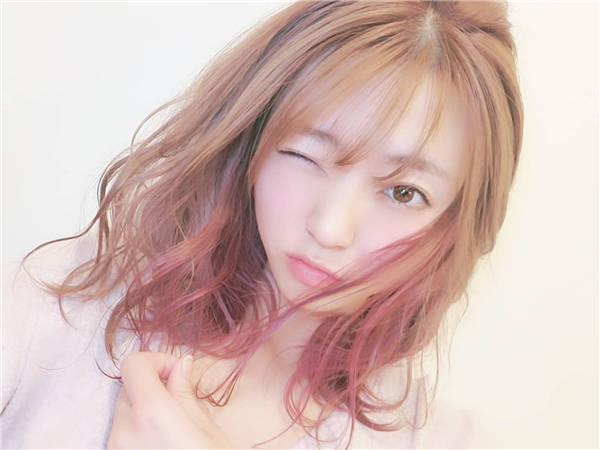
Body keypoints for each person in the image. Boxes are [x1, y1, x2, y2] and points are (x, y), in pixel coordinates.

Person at [2, 0, 523, 448]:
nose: (331, 228)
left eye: (404, 192)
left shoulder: (429, 437)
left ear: (454, 223)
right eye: (305, 154)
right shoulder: (58, 308)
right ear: (250, 138)